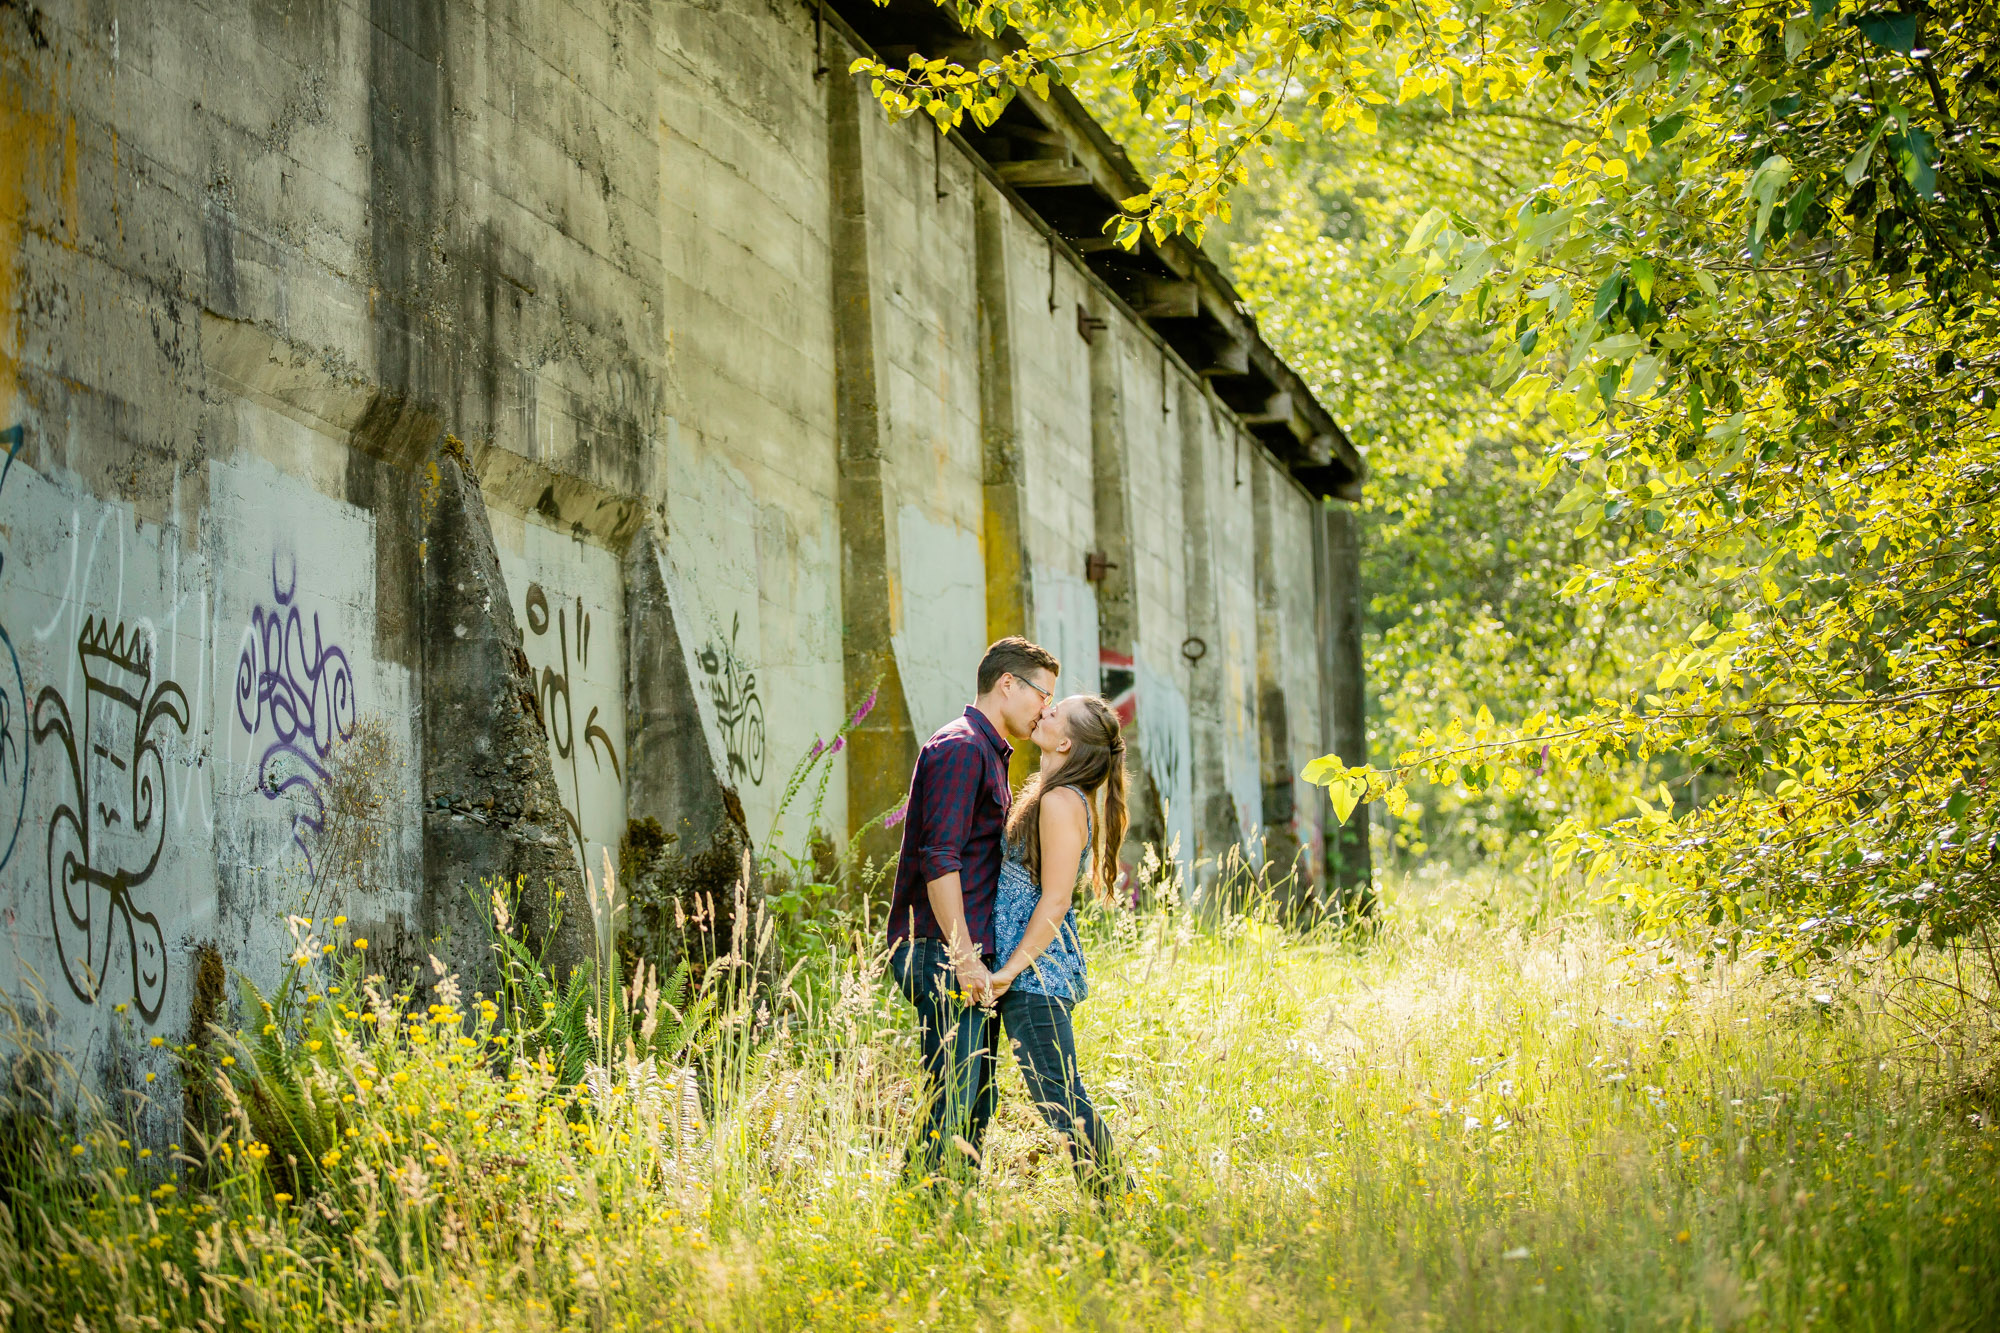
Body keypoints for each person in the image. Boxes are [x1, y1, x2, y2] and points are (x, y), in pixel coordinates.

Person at [886, 636, 1060, 1185]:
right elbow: (939, 860)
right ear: (1007, 684)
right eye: (1042, 694)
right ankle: (923, 1219)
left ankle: (949, 1218)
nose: (1046, 709)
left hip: (963, 956)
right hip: (939, 952)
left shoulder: (988, 751)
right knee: (954, 1102)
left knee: (974, 1102)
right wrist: (963, 958)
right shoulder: (960, 747)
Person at [983, 693, 1127, 1194]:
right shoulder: (1050, 793)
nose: (1042, 710)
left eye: (1054, 712)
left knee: (1060, 1097)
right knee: (1057, 1095)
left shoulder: (1059, 801)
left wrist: (1009, 971)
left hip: (1035, 976)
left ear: (1065, 741)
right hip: (1030, 973)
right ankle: (1115, 1201)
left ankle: (1117, 1201)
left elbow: (1056, 901)